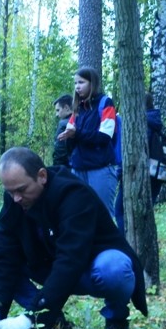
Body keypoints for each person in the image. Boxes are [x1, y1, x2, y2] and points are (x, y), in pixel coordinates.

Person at [0, 147, 147, 329]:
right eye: (10, 191)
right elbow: (5, 253)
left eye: (21, 190)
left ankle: (116, 320)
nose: (16, 198)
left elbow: (70, 260)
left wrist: (29, 318)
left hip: (87, 269)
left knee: (114, 267)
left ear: (42, 176)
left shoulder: (74, 195)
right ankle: (52, 317)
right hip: (48, 264)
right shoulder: (15, 201)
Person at [58, 67, 120, 220]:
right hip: (78, 168)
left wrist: (76, 134)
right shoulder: (78, 108)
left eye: (81, 82)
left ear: (92, 83)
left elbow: (105, 136)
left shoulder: (105, 103)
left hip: (101, 169)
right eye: (75, 83)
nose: (77, 86)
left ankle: (108, 245)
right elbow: (71, 134)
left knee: (103, 216)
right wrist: (68, 137)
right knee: (79, 215)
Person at [51, 94, 74, 167]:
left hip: (65, 167)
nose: (56, 114)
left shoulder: (63, 124)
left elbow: (60, 149)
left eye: (58, 110)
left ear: (67, 108)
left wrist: (56, 168)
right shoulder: (80, 121)